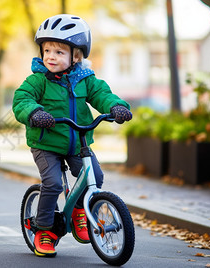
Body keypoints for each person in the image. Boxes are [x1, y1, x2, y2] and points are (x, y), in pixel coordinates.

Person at [12, 14, 132, 257]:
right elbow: (21, 99)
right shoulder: (38, 80)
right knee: (54, 183)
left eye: (58, 52)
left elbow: (102, 95)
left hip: (79, 141)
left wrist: (116, 107)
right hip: (46, 143)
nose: (50, 57)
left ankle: (79, 212)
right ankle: (44, 229)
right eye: (47, 50)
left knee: (94, 176)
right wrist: (34, 112)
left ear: (76, 56)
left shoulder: (85, 80)